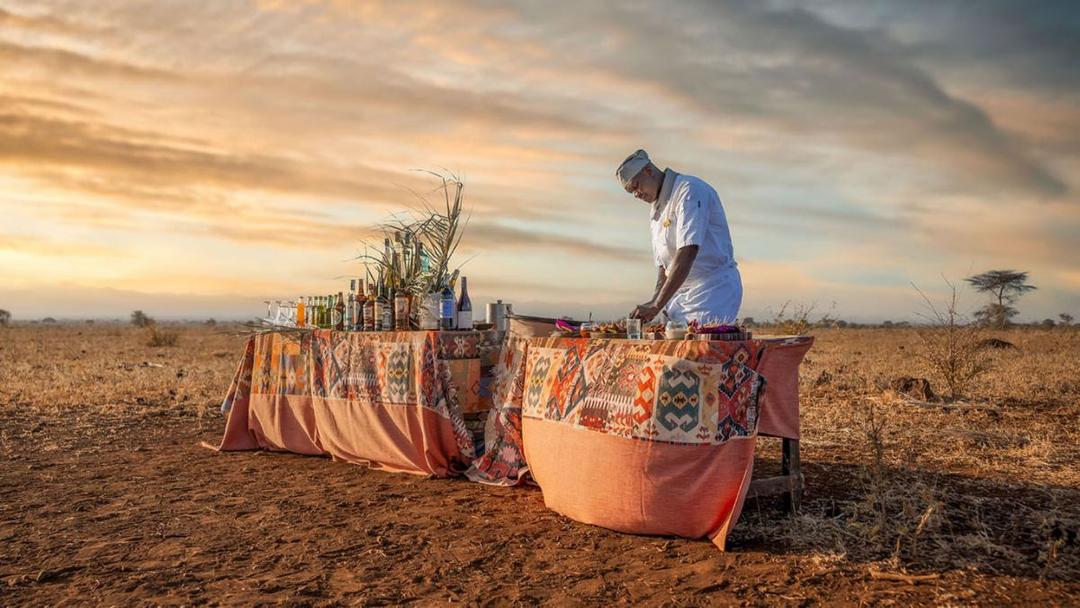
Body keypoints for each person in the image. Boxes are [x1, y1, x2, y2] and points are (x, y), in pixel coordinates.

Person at [618, 149, 742, 324]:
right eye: (632, 192)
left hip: (712, 291)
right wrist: (654, 301)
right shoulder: (656, 211)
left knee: (698, 340)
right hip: (679, 298)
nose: (636, 194)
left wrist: (657, 305)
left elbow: (688, 251)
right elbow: (664, 267)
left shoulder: (689, 190)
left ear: (648, 170)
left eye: (636, 185)